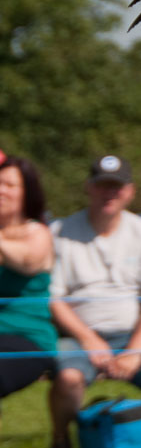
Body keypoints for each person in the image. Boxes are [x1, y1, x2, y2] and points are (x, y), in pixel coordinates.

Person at [47, 154, 141, 448]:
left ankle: (129, 437)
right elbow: (54, 299)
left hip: (133, 335)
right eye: (102, 186)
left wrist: (135, 351)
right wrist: (89, 339)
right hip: (80, 336)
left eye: (116, 187)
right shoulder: (60, 232)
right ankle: (61, 442)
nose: (109, 193)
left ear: (130, 191)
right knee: (68, 379)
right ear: (88, 188)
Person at [0, 155, 56, 407]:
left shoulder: (38, 234)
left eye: (10, 185)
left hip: (27, 338)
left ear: (27, 192)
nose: (1, 190)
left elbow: (28, 262)